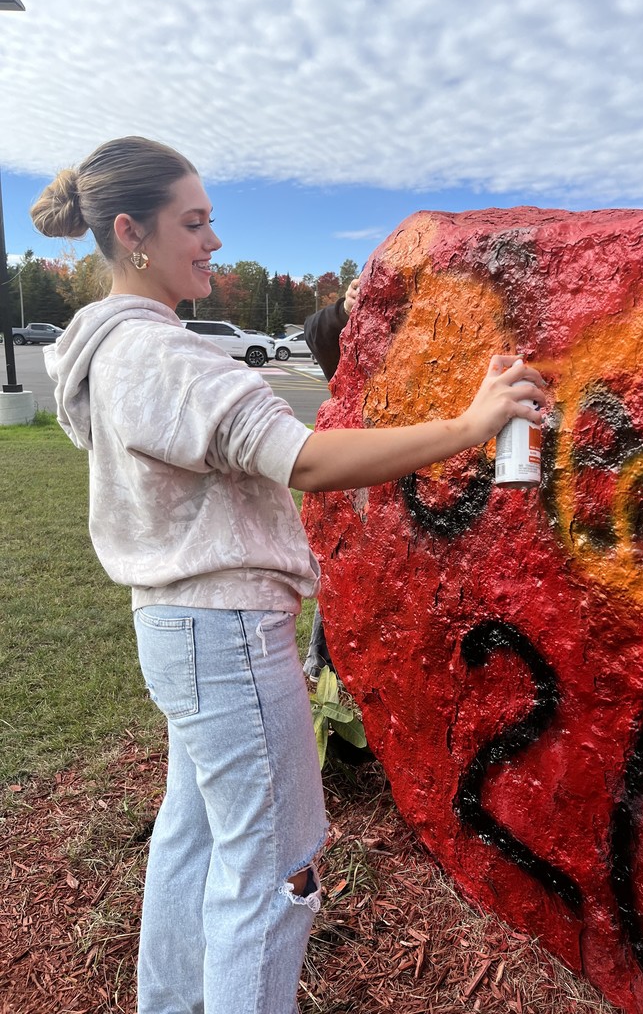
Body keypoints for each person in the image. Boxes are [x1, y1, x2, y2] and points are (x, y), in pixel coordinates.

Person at [31, 135, 546, 1014]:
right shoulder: (161, 357)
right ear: (131, 232)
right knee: (279, 869)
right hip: (225, 633)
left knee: (194, 840)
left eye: (212, 220)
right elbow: (303, 461)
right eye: (194, 223)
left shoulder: (107, 352)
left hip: (179, 631)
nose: (214, 242)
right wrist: (472, 425)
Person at [301, 276, 360, 683]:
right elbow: (317, 331)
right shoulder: (358, 339)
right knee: (342, 580)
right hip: (358, 487)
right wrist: (346, 309)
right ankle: (325, 670)